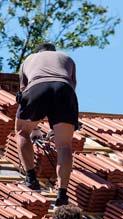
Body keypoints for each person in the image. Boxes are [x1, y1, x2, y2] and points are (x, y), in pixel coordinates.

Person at [15, 42, 78, 206]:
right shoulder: (67, 58)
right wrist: (58, 126)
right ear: (53, 52)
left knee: (21, 132)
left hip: (37, 88)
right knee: (64, 145)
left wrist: (34, 128)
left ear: (38, 52)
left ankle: (31, 178)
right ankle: (62, 193)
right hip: (64, 90)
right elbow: (72, 86)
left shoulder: (29, 59)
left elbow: (23, 92)